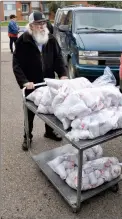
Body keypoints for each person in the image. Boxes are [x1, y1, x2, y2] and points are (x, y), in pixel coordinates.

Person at [12, 11, 68, 151]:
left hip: (47, 81)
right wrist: (24, 81)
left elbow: (58, 58)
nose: (42, 26)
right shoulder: (22, 41)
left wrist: (63, 74)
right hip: (31, 83)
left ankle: (49, 132)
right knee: (29, 113)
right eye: (38, 24)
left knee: (50, 108)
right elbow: (16, 64)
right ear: (31, 25)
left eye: (43, 23)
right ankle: (27, 136)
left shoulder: (51, 39)